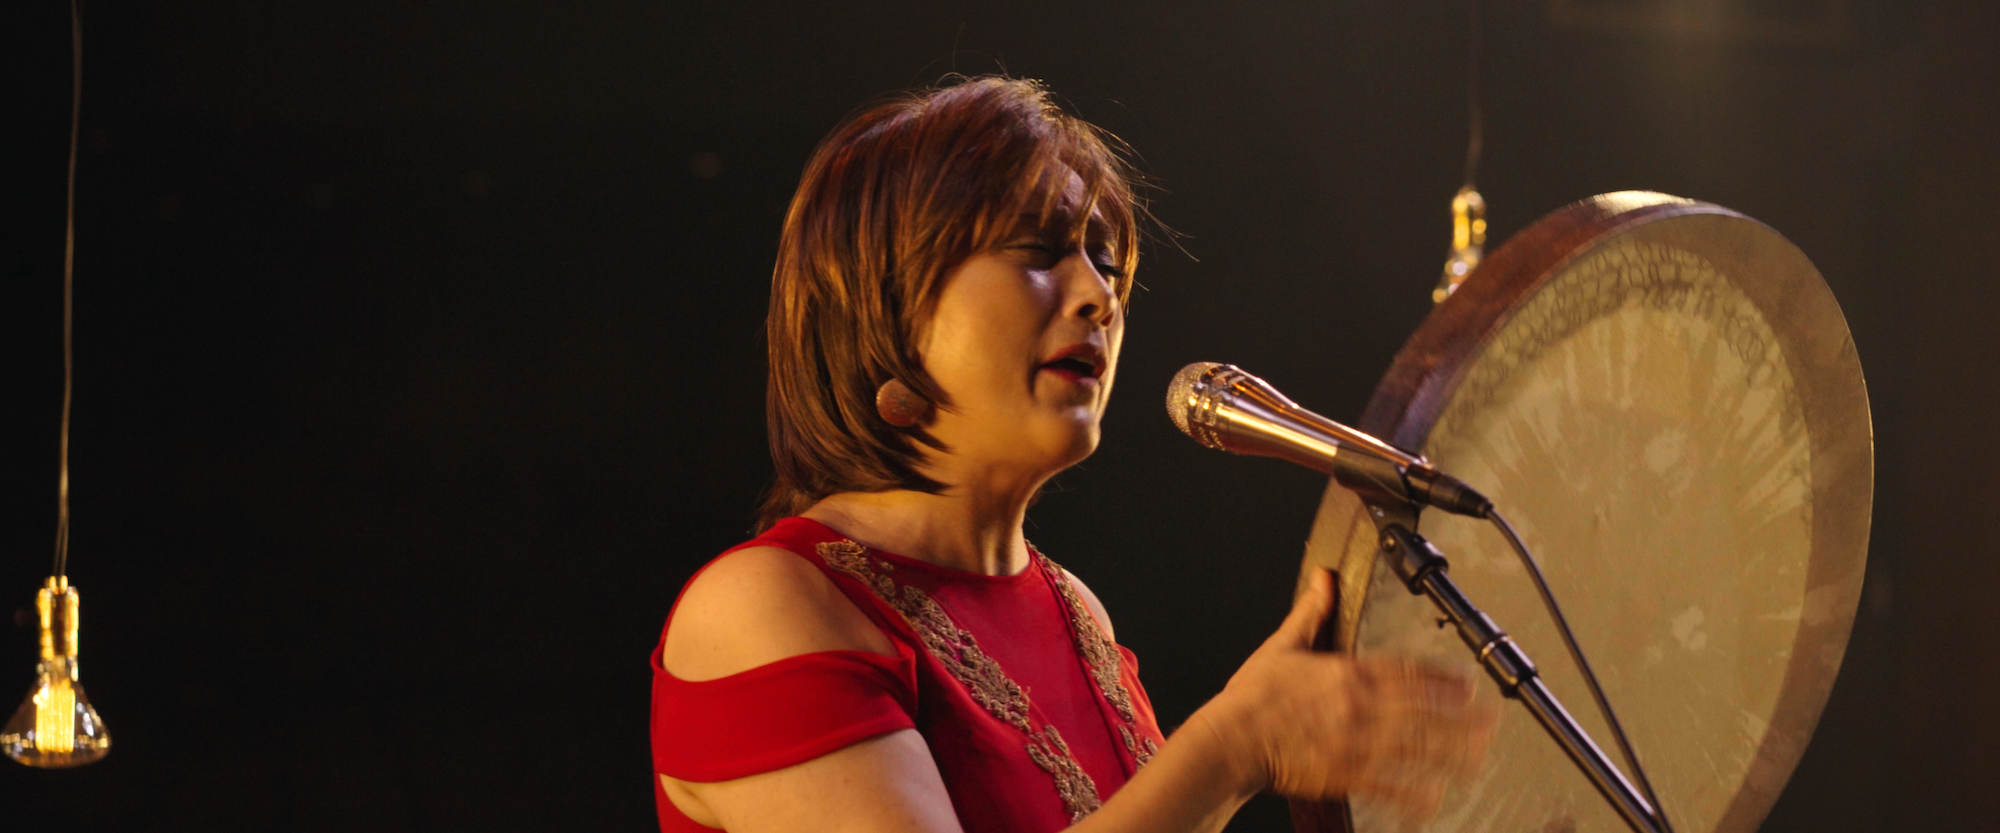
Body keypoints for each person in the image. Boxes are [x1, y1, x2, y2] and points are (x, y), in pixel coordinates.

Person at [649, 75, 1497, 833]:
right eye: (1038, 250)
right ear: (890, 304)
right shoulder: (762, 606)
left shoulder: (1074, 609)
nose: (1099, 296)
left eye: (1104, 258)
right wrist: (1238, 742)